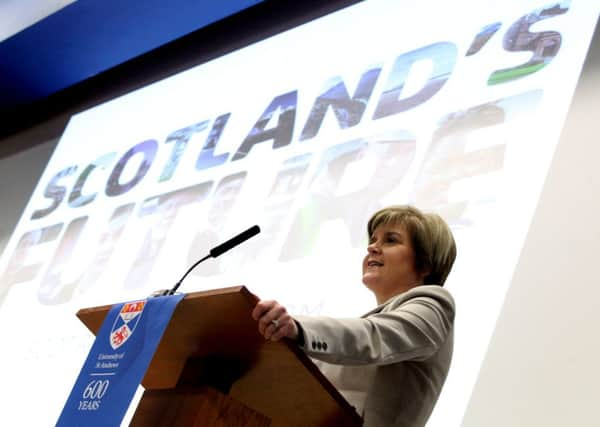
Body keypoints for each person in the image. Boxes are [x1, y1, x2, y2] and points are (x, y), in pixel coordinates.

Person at [252, 205, 457, 427]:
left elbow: (373, 336)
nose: (372, 247)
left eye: (390, 240)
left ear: (425, 263)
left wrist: (297, 328)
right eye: (373, 240)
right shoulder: (359, 331)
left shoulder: (434, 304)